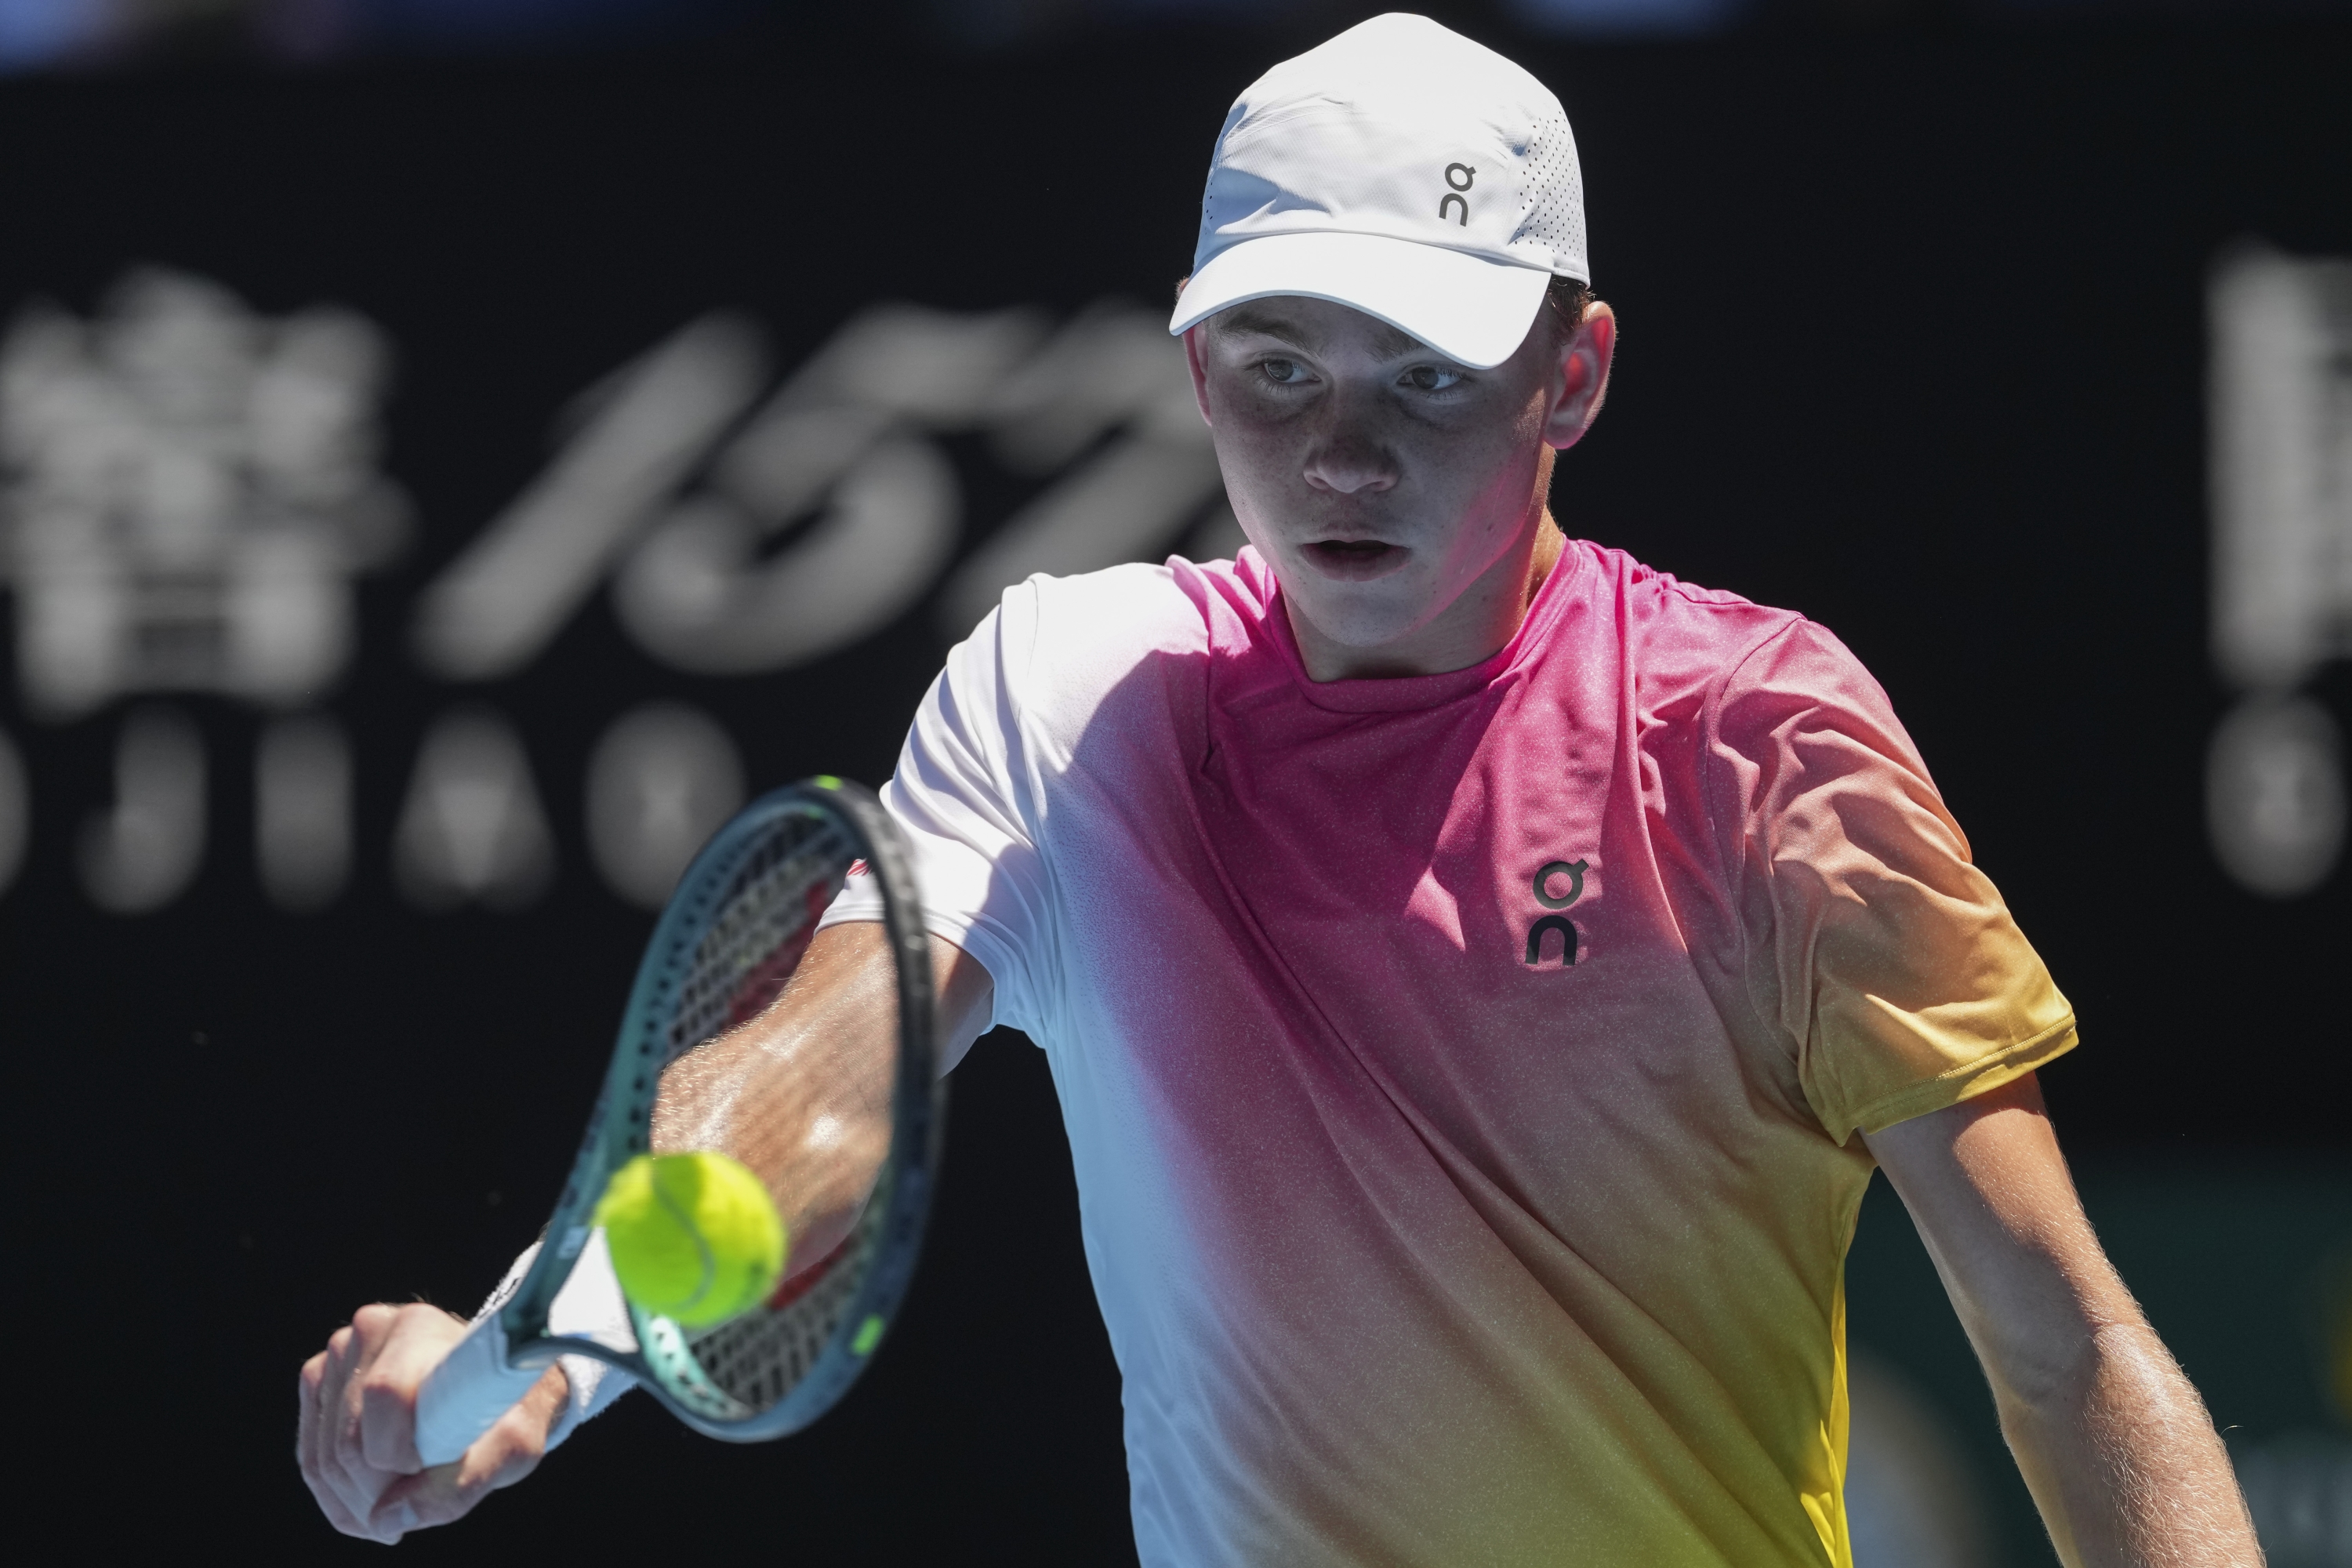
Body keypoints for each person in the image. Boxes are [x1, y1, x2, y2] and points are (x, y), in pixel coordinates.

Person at [298, 15, 2263, 1565]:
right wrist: (554, 1342)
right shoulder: (1074, 696)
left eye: (1419, 376)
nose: (1338, 453)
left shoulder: (1757, 745)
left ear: (1568, 376)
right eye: (1276, 366)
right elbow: (819, 1086)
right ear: (1190, 366)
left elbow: (2063, 1332)